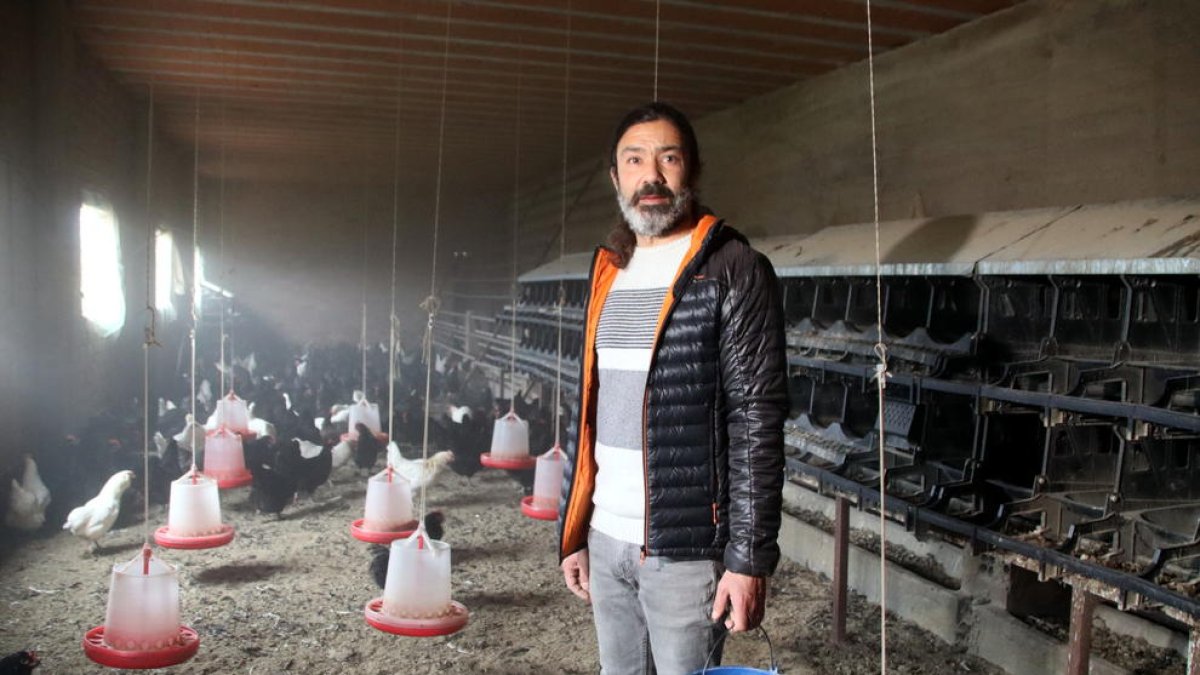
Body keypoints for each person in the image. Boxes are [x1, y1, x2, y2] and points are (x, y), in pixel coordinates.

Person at [558, 101, 789, 675]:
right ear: (617, 177)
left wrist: (749, 559)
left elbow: (756, 417)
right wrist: (575, 529)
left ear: (691, 171)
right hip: (606, 537)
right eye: (634, 160)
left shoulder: (734, 266)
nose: (651, 176)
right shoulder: (609, 266)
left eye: (668, 158)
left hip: (685, 551)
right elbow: (589, 404)